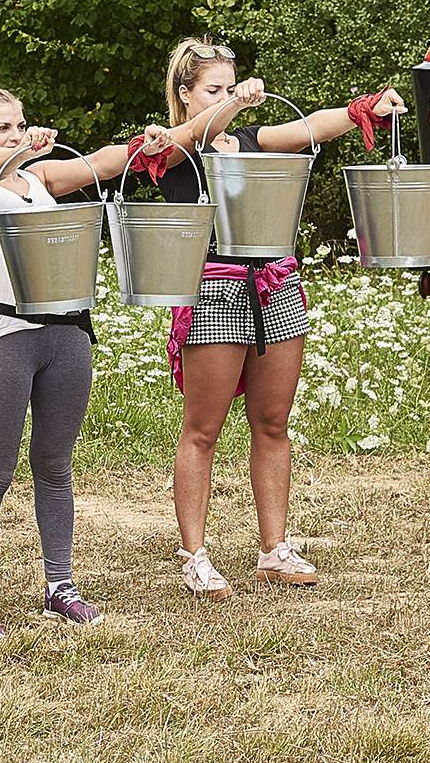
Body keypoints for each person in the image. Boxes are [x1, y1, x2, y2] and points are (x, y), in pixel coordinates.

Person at [159, 39, 405, 598]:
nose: (225, 96)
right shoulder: (170, 147)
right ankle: (194, 554)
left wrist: (362, 109)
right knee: (204, 429)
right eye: (212, 89)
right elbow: (183, 142)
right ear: (185, 94)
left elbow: (308, 128)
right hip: (212, 289)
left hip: (275, 283)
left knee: (273, 424)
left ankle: (275, 548)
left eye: (230, 85)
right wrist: (234, 106)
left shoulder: (248, 139)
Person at [0, 87, 194, 638]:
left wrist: (147, 144)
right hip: (3, 339)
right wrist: (15, 153)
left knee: (55, 466)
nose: (16, 135)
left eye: (21, 125)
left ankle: (60, 585)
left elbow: (96, 164)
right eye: (2, 128)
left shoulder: (39, 180)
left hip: (66, 338)